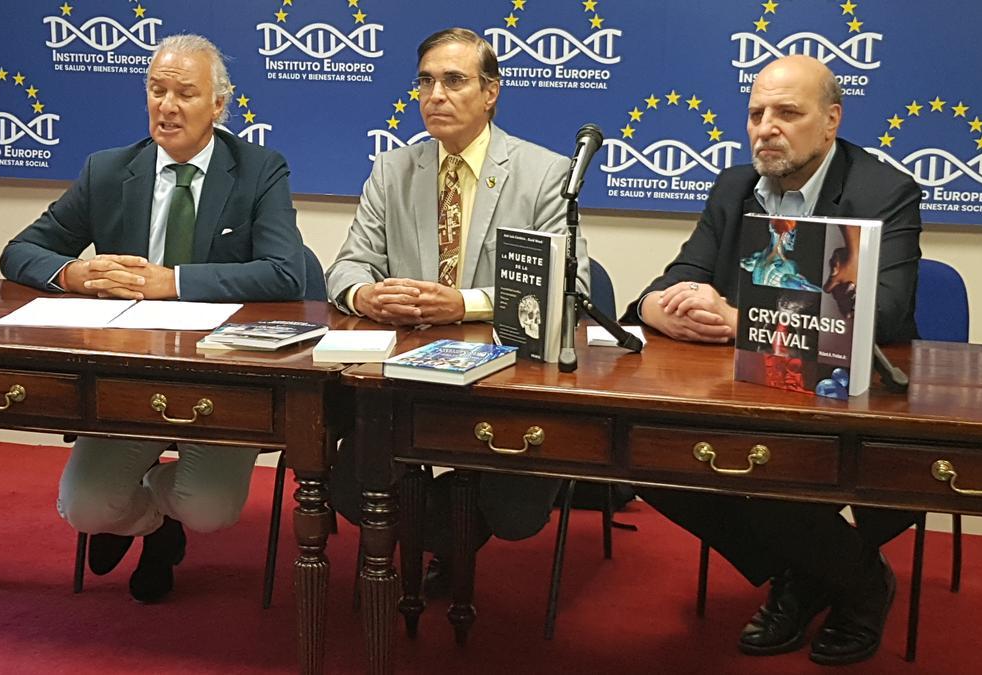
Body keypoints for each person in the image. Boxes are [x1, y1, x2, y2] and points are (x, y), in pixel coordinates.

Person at [620, 55, 922, 666]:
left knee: (773, 469)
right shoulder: (734, 188)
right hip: (746, 388)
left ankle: (862, 586)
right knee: (648, 456)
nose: (766, 127)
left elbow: (879, 314)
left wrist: (738, 320)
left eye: (787, 112)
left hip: (846, 392)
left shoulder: (881, 192)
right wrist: (656, 307)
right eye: (757, 113)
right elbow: (679, 278)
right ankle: (804, 570)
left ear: (831, 120)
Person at [0, 34, 307, 603]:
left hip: (224, 375)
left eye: (184, 93)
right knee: (85, 507)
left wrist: (176, 281)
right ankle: (151, 525)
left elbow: (287, 274)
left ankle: (166, 515)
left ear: (218, 106)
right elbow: (19, 252)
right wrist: (73, 274)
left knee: (209, 510)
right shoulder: (111, 171)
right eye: (156, 90)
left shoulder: (259, 169)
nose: (166, 105)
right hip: (131, 377)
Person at [326, 27, 590, 594]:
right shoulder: (393, 171)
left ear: (490, 93)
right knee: (348, 487)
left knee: (514, 513)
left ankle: (446, 534)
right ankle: (437, 536)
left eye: (453, 81)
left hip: (504, 378)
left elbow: (570, 288)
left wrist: (465, 304)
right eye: (425, 81)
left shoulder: (543, 173)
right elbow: (346, 266)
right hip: (403, 378)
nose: (435, 95)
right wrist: (362, 295)